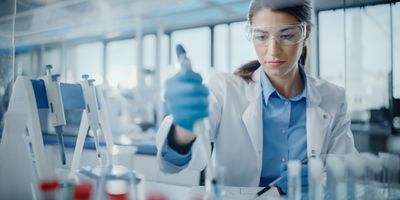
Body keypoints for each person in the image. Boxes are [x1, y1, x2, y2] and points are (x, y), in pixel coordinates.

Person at [156, 0, 357, 194]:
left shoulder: (333, 97)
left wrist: (319, 183)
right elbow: (174, 163)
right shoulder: (224, 89)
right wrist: (183, 127)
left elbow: (347, 172)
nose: (273, 51)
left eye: (286, 36)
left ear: (306, 34)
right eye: (261, 37)